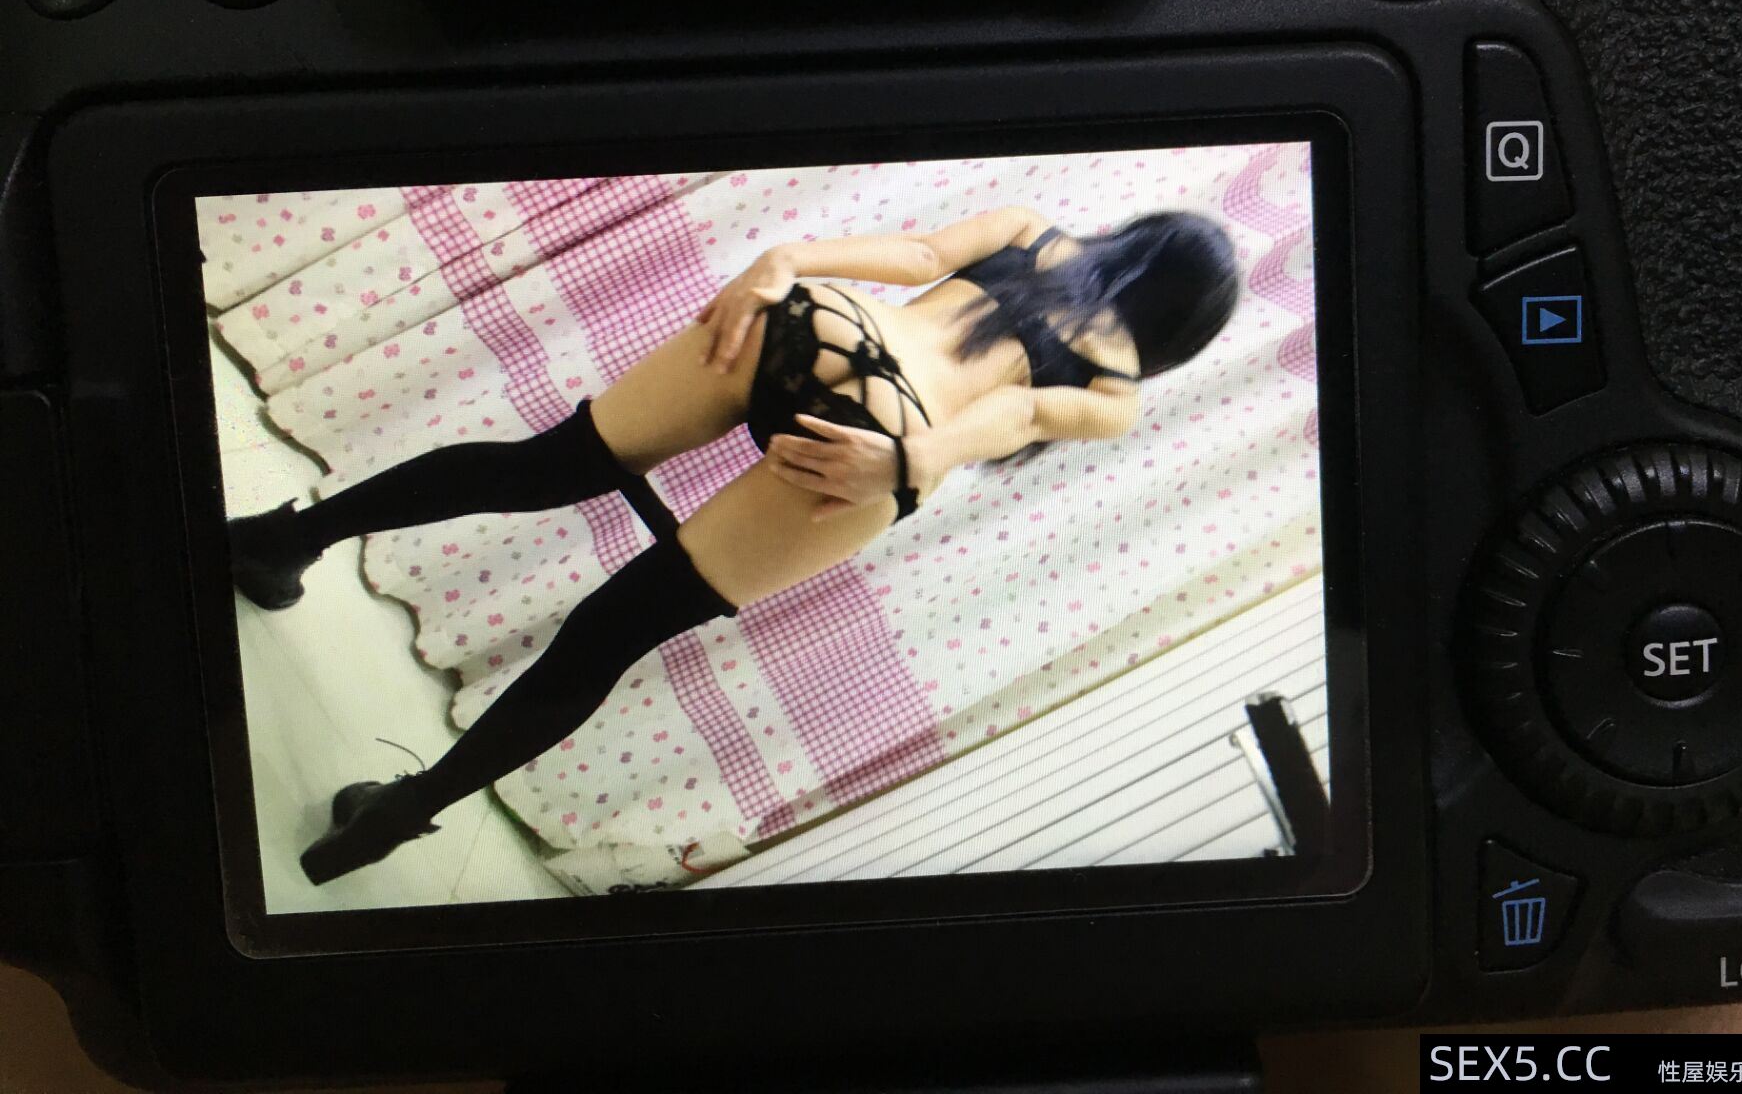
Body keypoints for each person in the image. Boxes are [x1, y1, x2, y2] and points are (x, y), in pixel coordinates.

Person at [225, 204, 1242, 883]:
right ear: (1179, 331)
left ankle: (281, 540)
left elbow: (919, 258)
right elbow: (1015, 415)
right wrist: (911, 460)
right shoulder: (1117, 397)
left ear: (1138, 240)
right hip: (889, 435)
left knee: (542, 465)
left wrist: (785, 260)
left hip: (822, 319)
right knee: (613, 633)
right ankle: (399, 814)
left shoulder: (1033, 232)